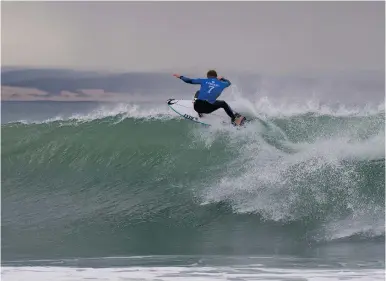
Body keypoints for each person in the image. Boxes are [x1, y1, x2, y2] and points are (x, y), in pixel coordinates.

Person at [173, 70, 244, 125]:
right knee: (223, 103)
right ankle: (234, 119)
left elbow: (189, 81)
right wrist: (222, 78)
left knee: (198, 92)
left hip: (197, 107)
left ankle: (199, 111)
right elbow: (229, 83)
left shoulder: (204, 80)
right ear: (216, 77)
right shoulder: (222, 83)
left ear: (208, 76)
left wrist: (180, 76)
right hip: (208, 108)